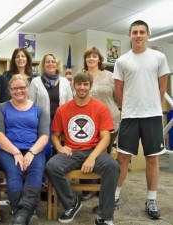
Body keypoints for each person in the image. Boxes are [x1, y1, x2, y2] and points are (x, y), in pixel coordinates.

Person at [45, 71, 119, 225]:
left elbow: (105, 137)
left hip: (94, 151)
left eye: (86, 84)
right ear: (74, 86)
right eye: (79, 84)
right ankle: (72, 204)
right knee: (52, 166)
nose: (82, 87)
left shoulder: (101, 108)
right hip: (71, 151)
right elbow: (54, 134)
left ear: (90, 86)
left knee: (112, 166)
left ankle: (105, 217)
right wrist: (59, 147)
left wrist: (92, 157)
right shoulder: (63, 109)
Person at [113, 20, 169, 220]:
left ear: (148, 35)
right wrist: (126, 108)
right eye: (134, 32)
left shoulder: (159, 57)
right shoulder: (122, 61)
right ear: (129, 35)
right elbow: (118, 89)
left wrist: (152, 104)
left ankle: (151, 200)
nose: (138, 35)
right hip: (129, 116)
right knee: (122, 159)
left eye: (141, 32)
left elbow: (162, 86)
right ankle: (115, 196)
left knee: (152, 159)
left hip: (152, 116)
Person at [0, 74, 49, 225]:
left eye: (22, 87)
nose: (19, 91)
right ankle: (25, 215)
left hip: (34, 149)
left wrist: (31, 153)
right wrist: (16, 152)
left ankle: (20, 216)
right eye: (15, 88)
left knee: (36, 171)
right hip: (7, 149)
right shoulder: (1, 108)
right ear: (10, 90)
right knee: (14, 171)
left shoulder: (39, 109)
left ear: (28, 88)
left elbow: (44, 136)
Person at [79, 47, 120, 202]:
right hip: (88, 123)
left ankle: (102, 185)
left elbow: (117, 96)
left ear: (99, 59)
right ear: (85, 60)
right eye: (88, 56)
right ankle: (87, 187)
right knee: (87, 152)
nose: (91, 59)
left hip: (110, 120)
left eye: (94, 56)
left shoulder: (109, 76)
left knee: (104, 155)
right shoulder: (82, 76)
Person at [29, 53, 73, 161]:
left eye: (53, 62)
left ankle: (55, 173)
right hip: (43, 122)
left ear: (57, 65)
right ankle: (43, 174)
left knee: (60, 149)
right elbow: (31, 104)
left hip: (61, 122)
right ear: (43, 65)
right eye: (47, 62)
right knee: (45, 149)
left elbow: (70, 103)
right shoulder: (36, 82)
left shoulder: (65, 82)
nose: (50, 64)